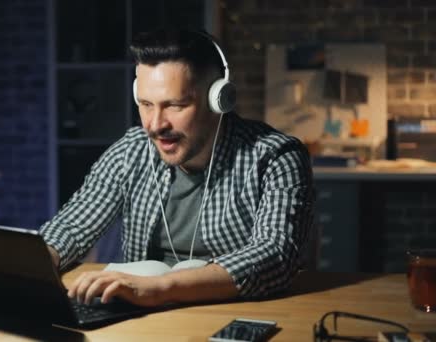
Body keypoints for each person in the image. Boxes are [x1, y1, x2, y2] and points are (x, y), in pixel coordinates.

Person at [39, 28, 314, 307]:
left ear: (218, 99)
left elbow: (275, 255)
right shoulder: (130, 151)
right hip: (142, 316)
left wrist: (157, 288)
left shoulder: (276, 157)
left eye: (175, 105)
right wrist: (36, 261)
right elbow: (72, 226)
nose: (156, 125)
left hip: (229, 314)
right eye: (146, 104)